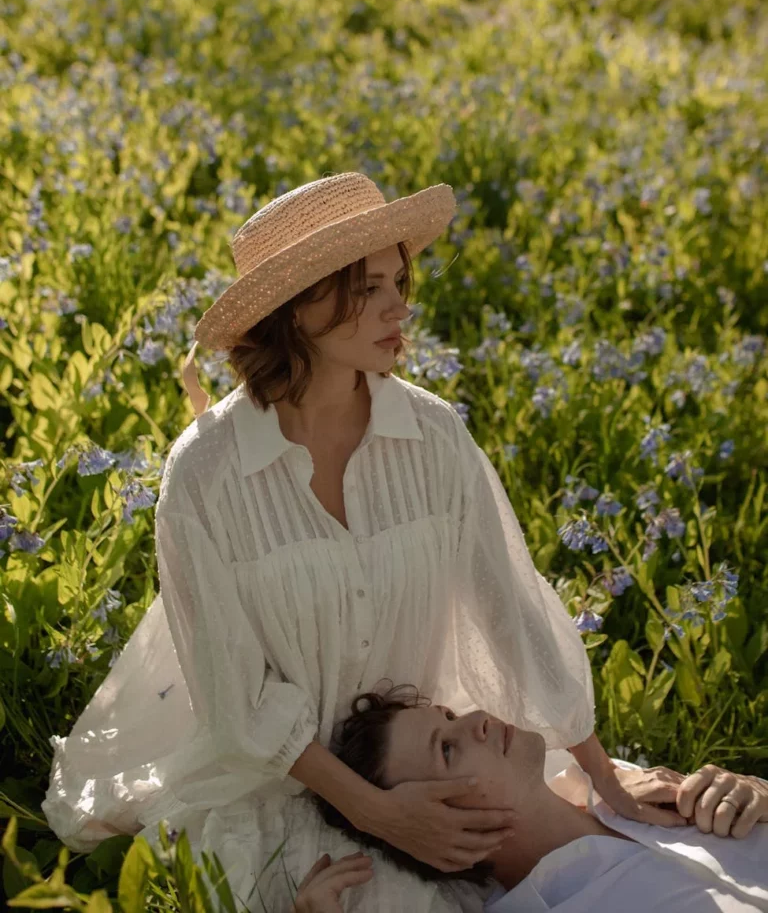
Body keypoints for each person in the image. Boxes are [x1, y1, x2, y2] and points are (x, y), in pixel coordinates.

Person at [43, 172, 682, 913]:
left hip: (415, 748)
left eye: (398, 281)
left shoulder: (433, 433)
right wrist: (377, 815)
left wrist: (604, 780)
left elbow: (510, 609)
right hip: (291, 779)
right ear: (301, 304)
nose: (399, 306)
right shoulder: (206, 473)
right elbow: (235, 697)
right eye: (367, 287)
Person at [306, 684, 768, 912]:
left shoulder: (632, 788)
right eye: (447, 749)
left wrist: (760, 796)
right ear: (429, 824)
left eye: (448, 714)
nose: (476, 719)